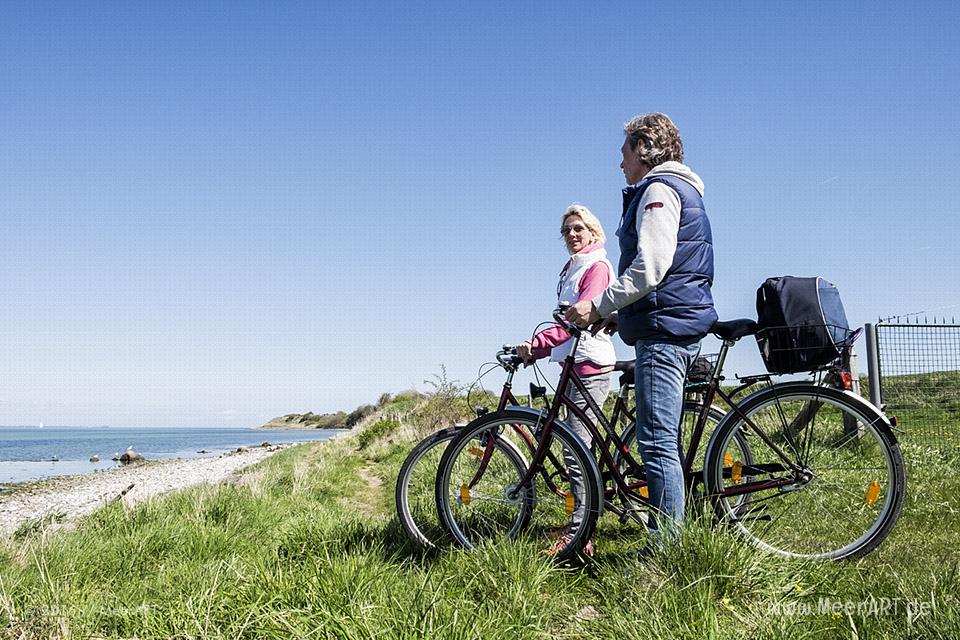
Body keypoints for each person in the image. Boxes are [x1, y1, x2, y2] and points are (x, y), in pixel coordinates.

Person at [566, 113, 717, 548]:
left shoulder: (659, 189)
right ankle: (670, 536)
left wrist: (597, 304)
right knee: (660, 439)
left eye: (624, 153)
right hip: (669, 320)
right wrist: (617, 316)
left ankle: (666, 550)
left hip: (664, 331)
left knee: (655, 442)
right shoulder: (681, 189)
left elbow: (650, 267)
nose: (620, 164)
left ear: (645, 148)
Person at [516, 203, 616, 555]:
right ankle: (580, 520)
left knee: (576, 452)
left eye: (578, 229)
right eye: (567, 231)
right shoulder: (573, 267)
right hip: (571, 365)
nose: (572, 235)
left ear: (592, 232)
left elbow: (576, 320)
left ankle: (580, 538)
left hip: (589, 366)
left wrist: (536, 346)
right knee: (574, 446)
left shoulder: (596, 267)